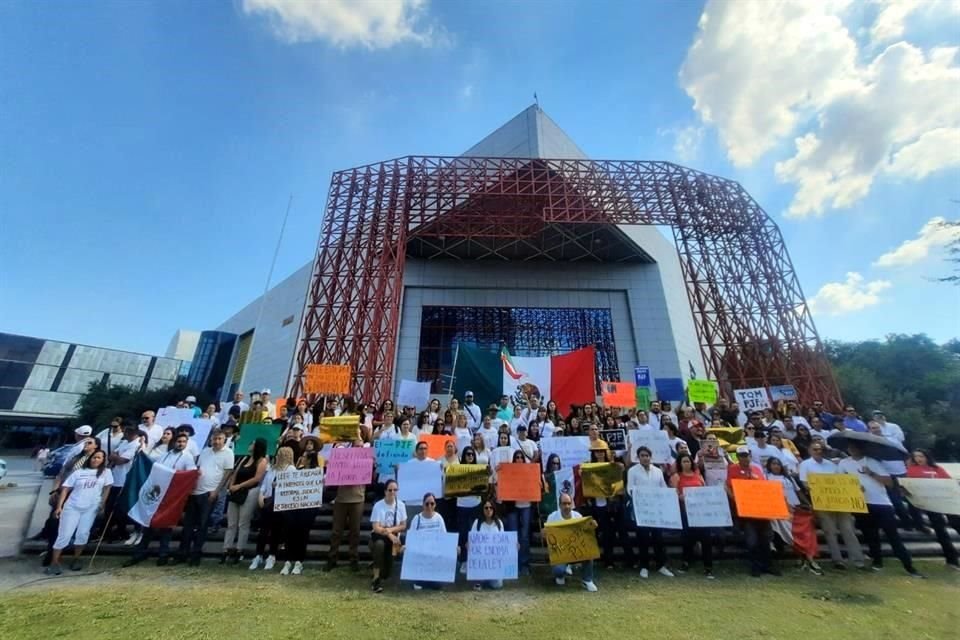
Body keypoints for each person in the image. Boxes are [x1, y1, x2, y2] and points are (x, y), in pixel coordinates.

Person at [838, 441, 923, 577]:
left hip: (881, 503)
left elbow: (889, 482)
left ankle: (909, 566)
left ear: (861, 449)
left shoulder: (873, 462)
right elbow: (841, 481)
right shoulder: (843, 463)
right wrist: (853, 488)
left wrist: (871, 473)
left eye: (855, 447)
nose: (852, 450)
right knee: (871, 535)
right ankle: (877, 562)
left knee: (892, 536)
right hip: (862, 503)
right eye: (850, 447)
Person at [125, 433, 198, 567]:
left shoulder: (187, 457)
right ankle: (140, 552)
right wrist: (141, 454)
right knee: (149, 523)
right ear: (174, 442)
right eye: (178, 441)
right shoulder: (166, 454)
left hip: (172, 496)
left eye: (183, 442)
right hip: (159, 493)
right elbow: (154, 467)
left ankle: (163, 554)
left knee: (166, 525)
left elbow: (190, 474)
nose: (181, 444)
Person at [798, 442, 865, 570]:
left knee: (848, 530)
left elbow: (841, 481)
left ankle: (858, 559)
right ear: (810, 450)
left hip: (840, 501)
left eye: (820, 449)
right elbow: (805, 483)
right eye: (815, 449)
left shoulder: (831, 465)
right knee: (830, 531)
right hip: (822, 502)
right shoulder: (805, 465)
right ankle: (837, 559)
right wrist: (818, 489)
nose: (818, 451)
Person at [45, 448, 113, 575]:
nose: (96, 460)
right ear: (89, 458)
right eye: (94, 457)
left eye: (99, 457)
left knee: (82, 534)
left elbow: (107, 488)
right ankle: (54, 562)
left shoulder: (106, 472)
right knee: (64, 535)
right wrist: (59, 506)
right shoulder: (79, 472)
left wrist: (102, 504)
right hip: (73, 506)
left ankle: (76, 559)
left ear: (103, 460)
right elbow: (65, 489)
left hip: (91, 508)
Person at [175, 429, 234, 566]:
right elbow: (198, 468)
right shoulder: (205, 451)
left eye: (220, 439)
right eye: (215, 439)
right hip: (195, 491)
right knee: (188, 525)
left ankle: (196, 554)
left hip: (209, 492)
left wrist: (217, 491)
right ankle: (182, 553)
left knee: (202, 525)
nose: (217, 441)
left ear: (224, 440)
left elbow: (227, 474)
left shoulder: (228, 453)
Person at [726, 446, 780, 577]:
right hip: (746, 511)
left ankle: (767, 565)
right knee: (752, 540)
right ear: (738, 457)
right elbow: (728, 486)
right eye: (742, 456)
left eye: (747, 455)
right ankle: (755, 566)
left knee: (765, 538)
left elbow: (764, 487)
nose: (745, 458)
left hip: (761, 510)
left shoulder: (756, 469)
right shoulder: (733, 469)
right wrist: (735, 499)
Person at [765, 456, 823, 575]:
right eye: (773, 464)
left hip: (796, 508)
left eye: (778, 464)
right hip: (780, 511)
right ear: (769, 466)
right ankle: (803, 558)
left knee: (804, 534)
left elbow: (798, 492)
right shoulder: (766, 478)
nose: (776, 466)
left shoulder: (789, 478)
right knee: (792, 535)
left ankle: (807, 559)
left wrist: (808, 504)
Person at [904, 450, 959, 570]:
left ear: (927, 457)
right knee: (941, 531)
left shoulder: (937, 468)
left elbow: (949, 483)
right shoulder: (912, 470)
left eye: (921, 456)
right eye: (916, 457)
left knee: (956, 524)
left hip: (946, 501)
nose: (918, 459)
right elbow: (911, 486)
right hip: (930, 504)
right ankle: (952, 560)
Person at [626, 446, 673, 578]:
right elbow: (629, 488)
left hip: (656, 510)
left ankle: (661, 565)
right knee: (643, 539)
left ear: (650, 457)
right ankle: (644, 566)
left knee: (658, 538)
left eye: (647, 455)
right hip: (642, 510)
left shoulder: (658, 471)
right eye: (642, 455)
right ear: (638, 457)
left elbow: (662, 486)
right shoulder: (632, 471)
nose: (645, 458)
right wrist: (640, 495)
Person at [326, 434, 370, 573]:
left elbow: (371, 478)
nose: (359, 448)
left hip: (358, 499)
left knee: (355, 531)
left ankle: (354, 560)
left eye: (361, 446)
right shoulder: (342, 458)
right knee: (336, 531)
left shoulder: (366, 460)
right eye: (357, 446)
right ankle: (332, 559)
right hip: (341, 499)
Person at [222, 437, 268, 565]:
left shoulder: (262, 460)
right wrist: (231, 485)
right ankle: (226, 549)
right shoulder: (244, 458)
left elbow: (257, 478)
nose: (250, 445)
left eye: (252, 443)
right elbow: (235, 473)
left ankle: (239, 549)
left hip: (250, 492)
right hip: (236, 492)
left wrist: (240, 486)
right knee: (231, 522)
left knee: (243, 522)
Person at [249, 446, 294, 571]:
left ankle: (271, 556)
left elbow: (292, 486)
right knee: (263, 531)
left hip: (281, 504)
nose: (279, 456)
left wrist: (280, 485)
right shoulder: (272, 469)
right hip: (267, 501)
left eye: (282, 454)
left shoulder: (291, 469)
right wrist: (261, 496)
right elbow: (264, 485)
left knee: (275, 531)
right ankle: (258, 555)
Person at [670, 452, 714, 578]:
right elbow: (673, 493)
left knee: (706, 539)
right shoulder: (676, 477)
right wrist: (680, 497)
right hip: (686, 512)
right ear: (679, 464)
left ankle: (708, 567)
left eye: (688, 461)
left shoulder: (698, 475)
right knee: (687, 540)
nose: (687, 464)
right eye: (684, 461)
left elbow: (705, 490)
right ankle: (686, 562)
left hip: (701, 512)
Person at [546, 493, 599, 592]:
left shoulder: (578, 516)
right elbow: (546, 536)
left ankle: (587, 579)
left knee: (589, 553)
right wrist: (543, 532)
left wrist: (592, 526)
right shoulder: (552, 517)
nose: (567, 506)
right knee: (558, 570)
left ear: (572, 504)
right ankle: (561, 574)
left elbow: (585, 534)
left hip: (576, 552)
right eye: (564, 504)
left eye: (569, 503)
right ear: (560, 505)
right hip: (560, 554)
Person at [104, 422, 142, 543]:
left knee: (120, 508)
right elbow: (111, 455)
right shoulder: (124, 442)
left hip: (124, 479)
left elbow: (122, 460)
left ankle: (121, 531)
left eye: (127, 432)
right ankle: (108, 531)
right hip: (114, 478)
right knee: (109, 506)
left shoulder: (136, 445)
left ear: (134, 433)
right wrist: (115, 456)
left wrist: (115, 457)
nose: (125, 434)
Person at [370, 479, 407, 593]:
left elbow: (403, 525)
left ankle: (380, 567)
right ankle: (375, 578)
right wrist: (390, 534)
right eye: (390, 490)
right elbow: (376, 527)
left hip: (393, 541)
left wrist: (389, 530)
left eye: (395, 490)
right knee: (380, 545)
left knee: (386, 575)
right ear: (385, 491)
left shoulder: (400, 505)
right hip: (379, 538)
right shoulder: (378, 505)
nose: (392, 492)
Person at [502, 448, 533, 576]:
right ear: (514, 460)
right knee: (513, 535)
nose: (519, 459)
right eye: (517, 457)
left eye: (521, 457)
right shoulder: (509, 472)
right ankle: (513, 563)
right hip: (512, 507)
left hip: (526, 506)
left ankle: (524, 563)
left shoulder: (529, 471)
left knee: (525, 536)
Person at [406, 492, 447, 590]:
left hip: (435, 554)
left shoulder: (439, 518)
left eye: (432, 504)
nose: (429, 506)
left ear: (435, 505)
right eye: (427, 504)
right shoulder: (417, 519)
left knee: (437, 585)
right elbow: (411, 538)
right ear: (423, 504)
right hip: (421, 555)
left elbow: (445, 538)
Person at [467, 500, 506, 591]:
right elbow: (471, 540)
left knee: (497, 585)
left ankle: (489, 578)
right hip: (481, 561)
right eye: (486, 508)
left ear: (494, 509)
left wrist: (513, 546)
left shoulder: (499, 523)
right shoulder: (477, 523)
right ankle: (479, 579)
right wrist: (468, 544)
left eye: (490, 507)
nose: (488, 510)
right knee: (479, 583)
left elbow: (504, 542)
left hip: (494, 562)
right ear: (483, 510)